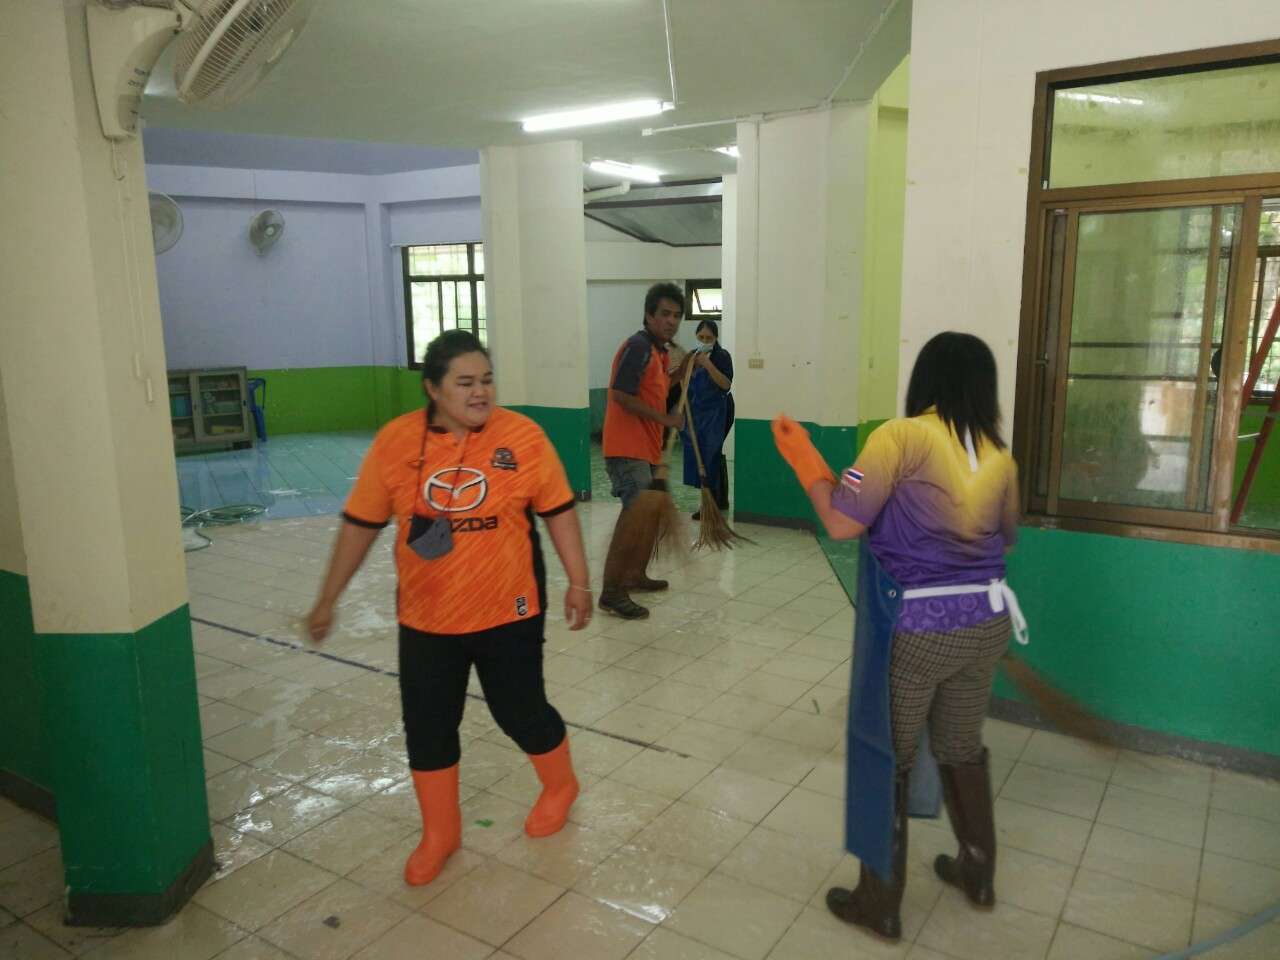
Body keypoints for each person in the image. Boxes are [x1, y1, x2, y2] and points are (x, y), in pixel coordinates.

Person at [304, 330, 592, 888]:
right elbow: (361, 524)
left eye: (486, 380)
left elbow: (558, 511)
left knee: (520, 711)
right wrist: (328, 598)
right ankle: (441, 832)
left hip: (509, 607)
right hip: (426, 614)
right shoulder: (395, 443)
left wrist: (579, 582)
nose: (480, 392)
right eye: (465, 383)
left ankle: (561, 785)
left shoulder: (523, 437)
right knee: (428, 724)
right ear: (433, 389)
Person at [773, 332, 1022, 942]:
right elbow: (1006, 538)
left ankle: (878, 902)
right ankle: (978, 873)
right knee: (960, 746)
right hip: (986, 625)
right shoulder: (999, 454)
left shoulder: (899, 438)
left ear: (926, 378)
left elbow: (840, 523)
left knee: (889, 757)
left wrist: (805, 459)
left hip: (917, 633)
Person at [599, 282, 685, 620]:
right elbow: (621, 394)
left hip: (646, 450)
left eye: (676, 316)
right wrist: (666, 419)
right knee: (633, 520)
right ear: (649, 315)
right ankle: (611, 592)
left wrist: (682, 373)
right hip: (626, 448)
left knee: (648, 517)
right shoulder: (638, 347)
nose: (671, 321)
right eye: (665, 314)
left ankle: (634, 575)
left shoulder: (658, 352)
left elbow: (654, 390)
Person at [680, 319, 734, 518]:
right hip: (697, 413)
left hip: (717, 412)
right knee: (698, 457)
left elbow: (725, 384)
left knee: (711, 454)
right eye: (700, 337)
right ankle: (714, 501)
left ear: (716, 338)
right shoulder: (691, 356)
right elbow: (684, 383)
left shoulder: (722, 356)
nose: (704, 341)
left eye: (708, 338)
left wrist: (707, 364)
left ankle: (712, 505)